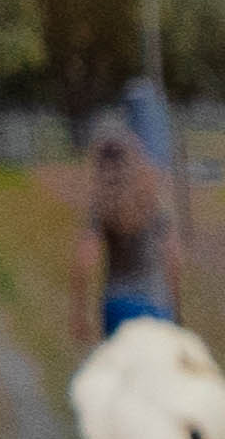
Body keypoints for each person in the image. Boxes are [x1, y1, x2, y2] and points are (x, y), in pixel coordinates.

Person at [74, 113, 177, 340]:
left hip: (116, 306)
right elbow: (171, 255)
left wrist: (79, 313)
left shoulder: (101, 205)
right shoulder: (152, 200)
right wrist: (176, 305)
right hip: (155, 304)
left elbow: (84, 261)